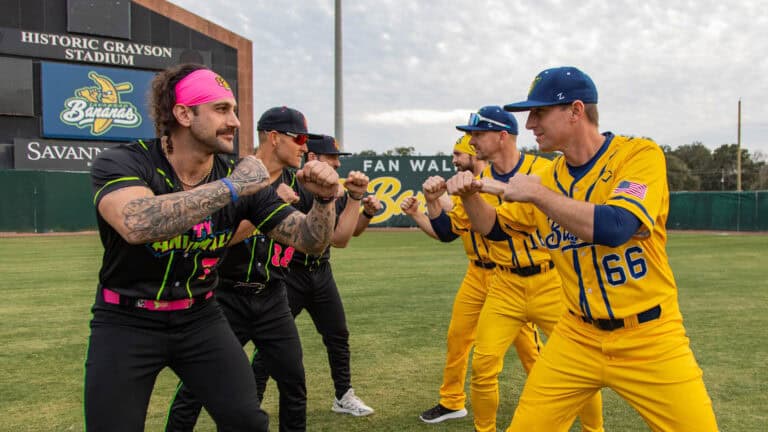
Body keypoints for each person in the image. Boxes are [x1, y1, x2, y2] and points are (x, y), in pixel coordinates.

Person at [458, 66, 719, 431]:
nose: (530, 123)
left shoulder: (638, 155)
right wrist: (470, 197)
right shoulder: (549, 178)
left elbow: (617, 226)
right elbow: (495, 228)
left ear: (576, 111)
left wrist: (536, 193)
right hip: (576, 335)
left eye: (540, 112)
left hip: (650, 337)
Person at [84, 64, 339, 432]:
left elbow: (310, 242)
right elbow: (137, 223)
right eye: (221, 109)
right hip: (126, 320)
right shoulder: (126, 161)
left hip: (199, 317)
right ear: (183, 113)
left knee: (247, 422)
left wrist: (325, 201)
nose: (235, 121)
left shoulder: (239, 177)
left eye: (234, 110)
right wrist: (233, 188)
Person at [164, 106, 338, 432]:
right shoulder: (228, 176)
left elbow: (329, 239)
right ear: (274, 138)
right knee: (196, 389)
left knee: (293, 382)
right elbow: (211, 236)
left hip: (273, 297)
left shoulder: (300, 184)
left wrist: (332, 200)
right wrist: (273, 203)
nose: (304, 146)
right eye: (299, 138)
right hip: (226, 297)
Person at [437, 106, 604, 432]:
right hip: (504, 284)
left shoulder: (545, 168)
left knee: (582, 365)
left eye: (478, 134)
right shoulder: (476, 180)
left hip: (549, 280)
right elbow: (462, 227)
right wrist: (455, 198)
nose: (472, 141)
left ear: (502, 136)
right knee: (483, 365)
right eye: (470, 135)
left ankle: (593, 431)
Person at [399, 134, 541, 424]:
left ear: (475, 156)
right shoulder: (459, 191)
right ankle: (452, 401)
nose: (454, 160)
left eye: (459, 153)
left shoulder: (499, 184)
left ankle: (553, 399)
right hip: (476, 273)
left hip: (509, 276)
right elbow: (447, 232)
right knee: (458, 338)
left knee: (529, 349)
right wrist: (421, 210)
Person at [251, 133, 381, 418]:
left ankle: (343, 395)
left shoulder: (332, 188)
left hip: (321, 272)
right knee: (271, 342)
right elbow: (336, 239)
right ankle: (253, 398)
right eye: (331, 159)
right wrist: (354, 198)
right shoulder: (291, 186)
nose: (336, 165)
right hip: (289, 273)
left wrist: (364, 213)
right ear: (313, 158)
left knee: (337, 335)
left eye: (337, 160)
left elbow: (349, 233)